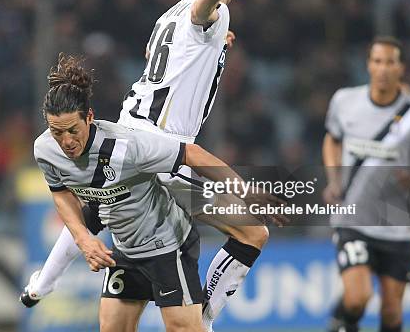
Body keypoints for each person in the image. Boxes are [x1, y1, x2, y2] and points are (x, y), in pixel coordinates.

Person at [23, 0, 274, 330]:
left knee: (98, 207)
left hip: (128, 128)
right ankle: (202, 317)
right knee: (253, 232)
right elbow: (201, 12)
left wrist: (215, 47)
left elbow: (169, 55)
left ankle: (43, 282)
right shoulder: (212, 11)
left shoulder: (165, 19)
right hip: (161, 148)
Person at [33, 56, 279, 332]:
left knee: (188, 325)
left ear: (89, 117)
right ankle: (41, 285)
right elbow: (60, 192)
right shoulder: (45, 149)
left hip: (167, 245)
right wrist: (84, 240)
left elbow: (190, 154)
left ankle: (204, 314)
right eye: (56, 132)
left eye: (72, 130)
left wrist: (242, 190)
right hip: (125, 250)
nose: (66, 141)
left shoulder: (128, 146)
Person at [322, 36, 410, 332]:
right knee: (357, 298)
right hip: (353, 218)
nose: (383, 68)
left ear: (401, 68)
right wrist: (334, 178)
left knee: (391, 313)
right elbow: (332, 139)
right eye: (377, 61)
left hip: (397, 226)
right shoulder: (344, 101)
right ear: (368, 65)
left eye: (390, 62)